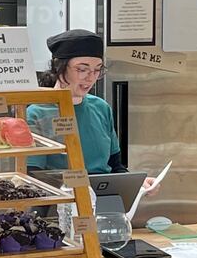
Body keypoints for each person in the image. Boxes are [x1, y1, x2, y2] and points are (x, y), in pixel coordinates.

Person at [26, 28, 125, 174]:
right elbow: (34, 174)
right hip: (64, 194)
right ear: (59, 67)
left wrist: (139, 185)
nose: (90, 78)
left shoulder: (101, 108)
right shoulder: (36, 113)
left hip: (106, 195)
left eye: (97, 70)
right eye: (82, 69)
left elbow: (116, 167)